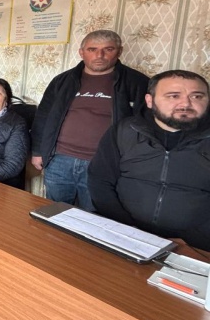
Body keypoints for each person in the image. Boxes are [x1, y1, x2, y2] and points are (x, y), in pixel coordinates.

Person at [89, 70, 210, 249]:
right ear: (149, 100)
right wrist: (124, 227)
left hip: (193, 244)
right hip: (122, 232)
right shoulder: (125, 130)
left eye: (197, 96)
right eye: (173, 96)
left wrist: (194, 240)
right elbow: (100, 180)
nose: (186, 103)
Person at [30, 30, 149, 211]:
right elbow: (43, 116)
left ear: (119, 51)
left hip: (104, 164)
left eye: (108, 49)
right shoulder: (63, 81)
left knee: (94, 217)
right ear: (81, 52)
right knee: (54, 212)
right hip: (59, 159)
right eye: (92, 49)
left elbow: (147, 126)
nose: (99, 55)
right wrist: (38, 151)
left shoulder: (137, 83)